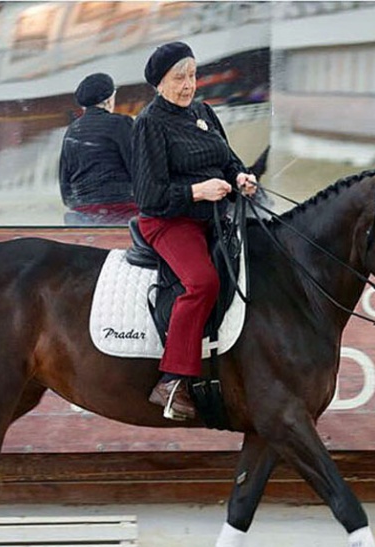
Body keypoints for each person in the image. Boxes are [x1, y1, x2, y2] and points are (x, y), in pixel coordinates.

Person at [132, 41, 256, 420]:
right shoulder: (149, 123)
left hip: (215, 214)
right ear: (159, 83)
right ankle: (171, 381)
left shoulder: (204, 111)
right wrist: (197, 191)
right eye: (179, 78)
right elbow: (149, 196)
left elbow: (226, 156)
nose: (189, 85)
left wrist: (239, 175)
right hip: (171, 221)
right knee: (202, 282)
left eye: (192, 76)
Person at [59, 72, 139, 225]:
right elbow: (138, 169)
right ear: (109, 99)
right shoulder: (121, 124)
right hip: (121, 210)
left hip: (82, 211)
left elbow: (65, 186)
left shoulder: (72, 130)